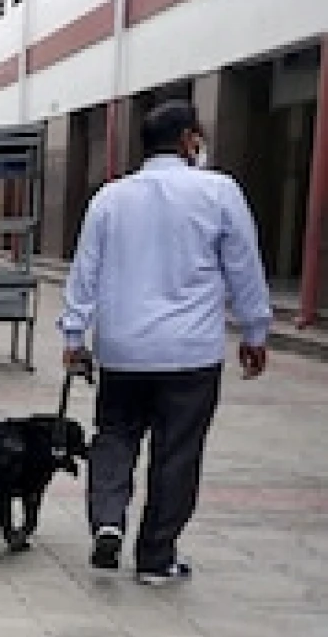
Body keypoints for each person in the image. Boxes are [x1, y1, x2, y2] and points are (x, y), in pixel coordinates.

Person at [60, 99, 273, 586]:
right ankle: (156, 557)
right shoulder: (219, 192)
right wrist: (254, 331)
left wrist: (74, 334)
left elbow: (84, 270)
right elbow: (244, 266)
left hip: (123, 349)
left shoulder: (109, 199)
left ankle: (108, 521)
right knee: (177, 452)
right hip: (191, 352)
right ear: (188, 140)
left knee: (114, 435)